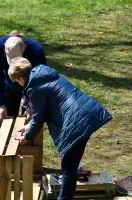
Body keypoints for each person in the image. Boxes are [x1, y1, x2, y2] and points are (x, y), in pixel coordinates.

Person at [8, 57, 112, 200]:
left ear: (20, 78)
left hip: (77, 121)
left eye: (17, 82)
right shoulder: (44, 75)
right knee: (70, 164)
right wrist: (28, 126)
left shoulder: (35, 87)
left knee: (68, 167)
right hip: (85, 115)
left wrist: (27, 138)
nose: (19, 85)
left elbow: (38, 117)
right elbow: (42, 111)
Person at [0, 30, 46, 124]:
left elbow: (40, 81)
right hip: (9, 87)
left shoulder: (36, 51)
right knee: (6, 120)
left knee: (29, 121)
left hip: (31, 87)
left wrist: (32, 106)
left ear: (24, 48)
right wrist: (1, 104)